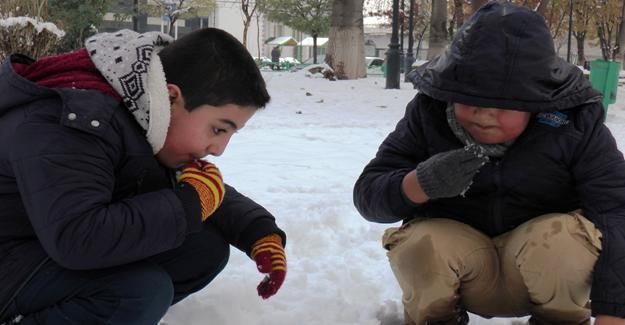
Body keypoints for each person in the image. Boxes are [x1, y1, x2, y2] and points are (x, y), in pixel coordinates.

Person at [353, 2, 625, 325]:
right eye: (470, 99)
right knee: (420, 245)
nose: (483, 115)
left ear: (537, 100)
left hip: (544, 269)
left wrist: (613, 313)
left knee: (562, 241)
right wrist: (419, 184)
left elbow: (616, 211)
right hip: (461, 267)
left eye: (502, 104)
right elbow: (368, 193)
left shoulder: (575, 122)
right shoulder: (429, 112)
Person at [0, 28, 287, 325]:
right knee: (140, 292)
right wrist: (191, 203)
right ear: (172, 97)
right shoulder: (75, 121)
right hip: (12, 256)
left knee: (202, 249)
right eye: (218, 129)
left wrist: (257, 230)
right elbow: (78, 237)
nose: (219, 149)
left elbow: (183, 184)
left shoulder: (141, 106)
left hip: (41, 246)